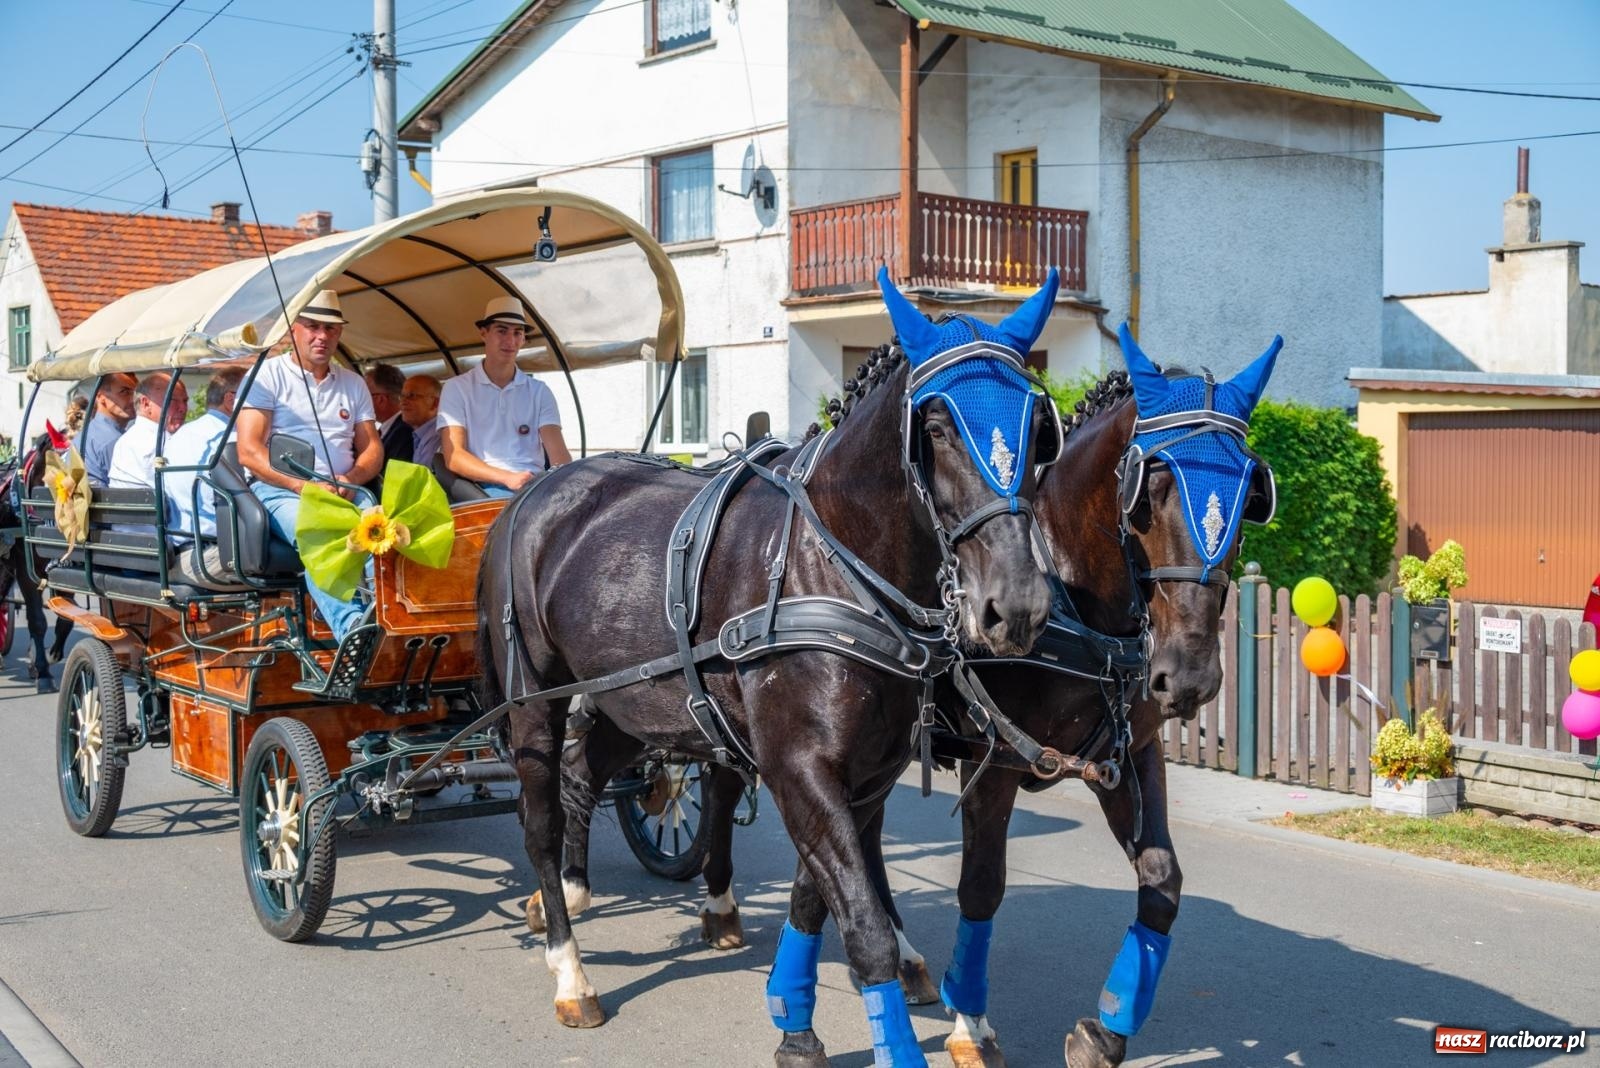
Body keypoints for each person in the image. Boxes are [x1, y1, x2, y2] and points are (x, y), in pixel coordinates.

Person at [235, 290, 383, 644]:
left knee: (384, 535)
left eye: (330, 328)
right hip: (281, 489)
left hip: (345, 487)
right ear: (293, 329)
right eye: (313, 326)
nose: (322, 336)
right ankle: (353, 631)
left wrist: (351, 478)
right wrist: (303, 486)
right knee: (321, 530)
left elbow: (372, 448)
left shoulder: (353, 383)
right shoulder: (267, 376)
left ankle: (387, 617)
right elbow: (249, 452)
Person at [438, 297, 572, 497]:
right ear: (484, 333)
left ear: (523, 339)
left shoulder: (539, 391)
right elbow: (454, 457)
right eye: (502, 331)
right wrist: (508, 478)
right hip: (480, 487)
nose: (510, 341)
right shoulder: (456, 388)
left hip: (532, 485)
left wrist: (566, 487)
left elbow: (558, 453)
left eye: (517, 333)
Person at [163, 367, 244, 572]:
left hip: (182, 547)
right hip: (217, 553)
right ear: (231, 400)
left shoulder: (181, 434)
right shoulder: (232, 439)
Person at [107, 372, 190, 495]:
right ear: (146, 404)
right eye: (172, 400)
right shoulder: (157, 444)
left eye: (185, 401)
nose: (182, 408)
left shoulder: (129, 438)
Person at [77, 372, 137, 487]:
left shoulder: (87, 433)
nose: (133, 400)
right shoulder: (114, 441)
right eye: (124, 392)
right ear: (101, 397)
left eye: (135, 393)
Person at [365, 363, 413, 465]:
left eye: (364, 396)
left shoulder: (403, 433)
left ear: (381, 399)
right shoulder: (392, 429)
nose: (359, 402)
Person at [399, 373, 442, 469]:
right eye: (402, 396)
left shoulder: (438, 436)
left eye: (412, 396)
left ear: (435, 403)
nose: (403, 402)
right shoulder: (421, 435)